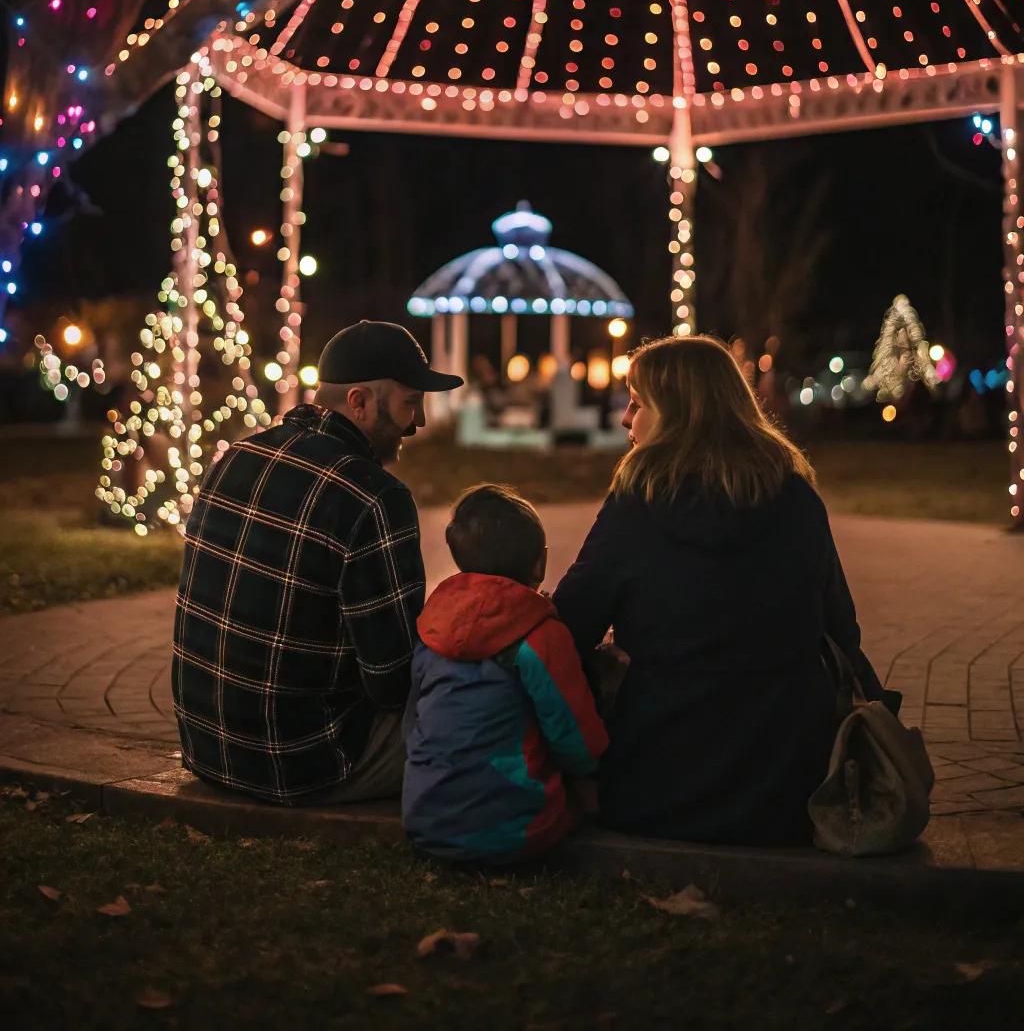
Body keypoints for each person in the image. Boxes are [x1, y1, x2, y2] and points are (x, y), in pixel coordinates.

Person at [553, 334, 899, 848]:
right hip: (789, 793)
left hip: (657, 787)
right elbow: (841, 629)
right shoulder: (796, 497)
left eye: (637, 403)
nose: (626, 419)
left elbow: (568, 625)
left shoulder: (637, 502)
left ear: (678, 412)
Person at [172, 320, 463, 806]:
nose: (420, 423)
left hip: (209, 747)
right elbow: (393, 680)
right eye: (411, 403)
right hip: (306, 762)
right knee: (485, 705)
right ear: (359, 402)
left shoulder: (236, 457)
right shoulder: (374, 497)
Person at [403, 484, 608, 862]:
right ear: (540, 563)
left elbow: (412, 721)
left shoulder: (433, 628)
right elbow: (576, 741)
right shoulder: (541, 634)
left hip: (425, 818)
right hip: (513, 830)